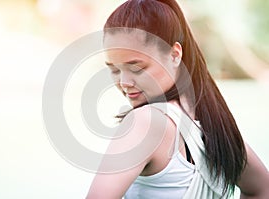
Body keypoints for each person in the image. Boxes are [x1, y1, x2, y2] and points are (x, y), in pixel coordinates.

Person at [86, 0, 269, 198]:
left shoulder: (146, 121)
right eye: (114, 69)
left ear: (175, 54)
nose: (124, 82)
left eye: (136, 67)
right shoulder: (215, 124)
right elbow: (261, 188)